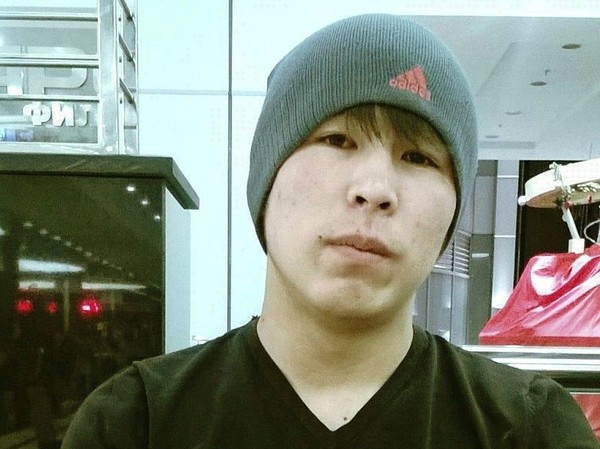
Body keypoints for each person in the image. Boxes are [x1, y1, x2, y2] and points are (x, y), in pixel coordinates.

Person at [61, 14, 599, 448]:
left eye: (418, 156)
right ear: (267, 179)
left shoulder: (530, 429)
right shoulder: (135, 424)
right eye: (338, 140)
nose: (375, 188)